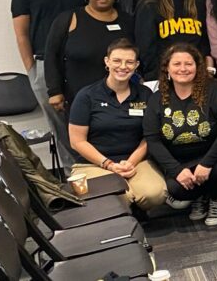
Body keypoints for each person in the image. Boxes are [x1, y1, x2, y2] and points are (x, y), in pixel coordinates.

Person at [12, 0, 88, 168]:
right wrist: (32, 69)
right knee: (60, 126)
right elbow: (21, 32)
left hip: (82, 64)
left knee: (89, 119)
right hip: (45, 64)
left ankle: (101, 174)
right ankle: (74, 176)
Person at [143, 44, 217, 226]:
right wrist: (176, 170)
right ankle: (199, 196)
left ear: (197, 67)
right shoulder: (157, 99)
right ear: (167, 69)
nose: (183, 69)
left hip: (215, 157)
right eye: (177, 64)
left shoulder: (214, 91)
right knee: (175, 189)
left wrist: (207, 163)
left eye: (189, 64)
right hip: (181, 161)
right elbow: (153, 140)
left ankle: (216, 199)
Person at [44, 0, 133, 162]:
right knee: (83, 146)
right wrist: (54, 91)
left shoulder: (127, 21)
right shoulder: (69, 18)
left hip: (120, 98)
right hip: (78, 96)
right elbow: (51, 55)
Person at [68, 39, 165, 210]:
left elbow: (150, 136)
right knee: (117, 198)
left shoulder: (145, 94)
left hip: (135, 160)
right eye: (117, 61)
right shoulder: (87, 96)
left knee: (155, 194)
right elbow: (77, 141)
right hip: (94, 163)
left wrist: (130, 162)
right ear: (107, 62)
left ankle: (135, 206)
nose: (123, 66)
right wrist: (109, 164)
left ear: (136, 65)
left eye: (129, 62)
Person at [135, 0, 212, 81]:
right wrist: (159, 75)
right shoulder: (149, 4)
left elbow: (205, 42)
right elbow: (145, 49)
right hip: (161, 76)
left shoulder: (200, 2)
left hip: (196, 74)